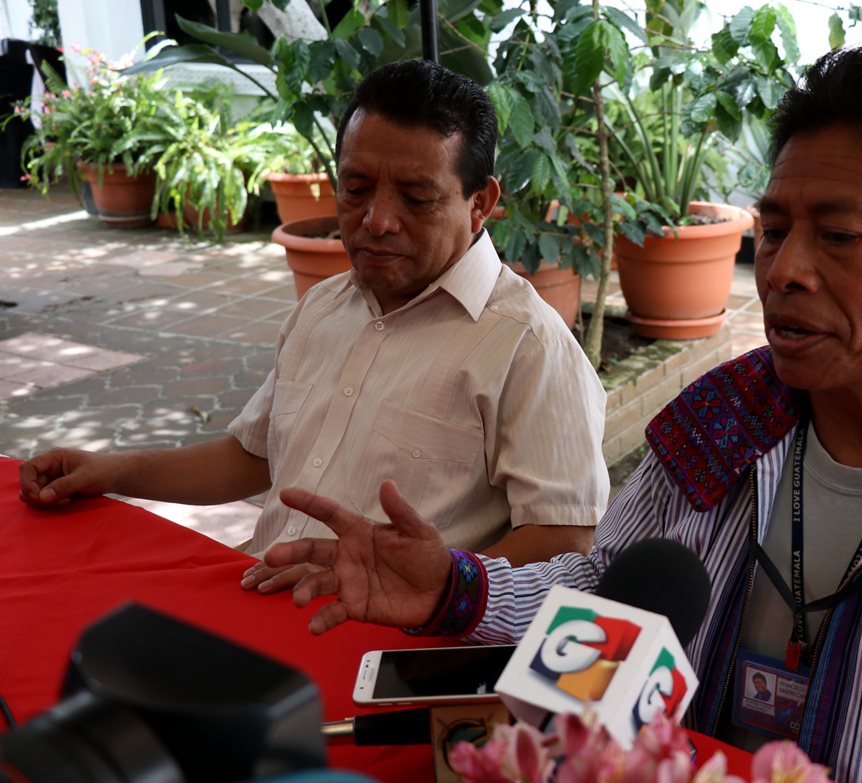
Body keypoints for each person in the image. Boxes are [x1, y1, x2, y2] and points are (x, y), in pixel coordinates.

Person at [262, 46, 862, 781]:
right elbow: (603, 603)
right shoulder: (715, 428)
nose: (786, 270)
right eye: (775, 228)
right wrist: (454, 591)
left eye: (838, 236)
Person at [17, 59, 609, 591]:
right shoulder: (325, 306)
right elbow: (255, 456)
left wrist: (420, 590)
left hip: (385, 650)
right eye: (355, 189)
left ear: (480, 203)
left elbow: (563, 541)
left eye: (416, 197)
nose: (376, 220)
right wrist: (110, 470)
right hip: (258, 594)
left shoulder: (527, 345)